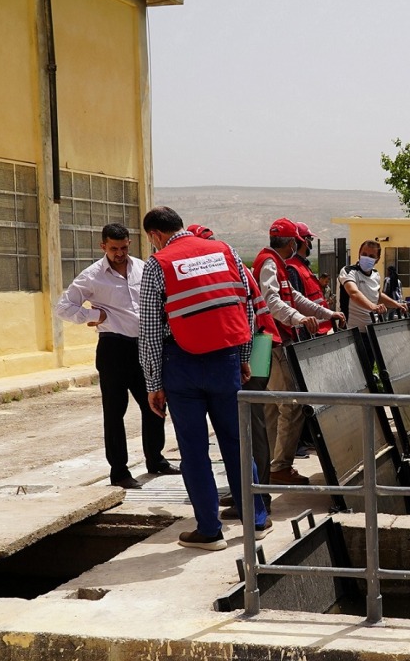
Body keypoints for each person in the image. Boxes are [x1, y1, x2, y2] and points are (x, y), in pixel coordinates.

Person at [138, 206, 269, 550]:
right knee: (237, 442)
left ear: (155, 235)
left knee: (194, 451)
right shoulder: (226, 251)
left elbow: (150, 329)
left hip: (181, 364)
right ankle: (255, 520)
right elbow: (245, 306)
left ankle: (209, 531)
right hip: (225, 359)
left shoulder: (157, 264)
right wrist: (243, 357)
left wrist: (153, 383)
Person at [53, 223, 178, 490]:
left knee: (154, 404)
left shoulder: (144, 268)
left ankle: (155, 460)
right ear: (103, 247)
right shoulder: (92, 276)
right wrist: (93, 316)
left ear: (129, 244)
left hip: (145, 346)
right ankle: (119, 472)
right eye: (113, 249)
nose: (119, 253)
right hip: (113, 348)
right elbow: (64, 307)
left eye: (123, 248)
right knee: (114, 411)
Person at [252, 218, 343, 486]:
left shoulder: (275, 263)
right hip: (273, 341)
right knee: (291, 403)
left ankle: (268, 464)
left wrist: (326, 313)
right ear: (293, 243)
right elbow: (272, 301)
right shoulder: (270, 263)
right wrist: (297, 319)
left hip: (265, 342)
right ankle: (279, 465)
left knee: (270, 405)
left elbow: (295, 297)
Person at [338, 240, 408, 330]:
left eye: (371, 256)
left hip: (372, 329)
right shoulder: (349, 271)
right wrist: (373, 307)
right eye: (364, 254)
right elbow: (353, 293)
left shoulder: (376, 274)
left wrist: (397, 304)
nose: (367, 258)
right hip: (351, 330)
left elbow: (378, 296)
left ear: (377, 259)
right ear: (359, 253)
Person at [284, 222, 333, 335]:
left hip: (316, 329)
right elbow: (295, 303)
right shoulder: (293, 269)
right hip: (307, 333)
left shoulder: (303, 266)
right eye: (310, 239)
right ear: (305, 241)